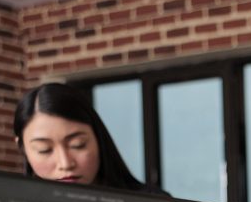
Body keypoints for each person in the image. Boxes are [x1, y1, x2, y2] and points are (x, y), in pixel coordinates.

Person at [13, 82, 161, 193]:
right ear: (23, 148)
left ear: (98, 138)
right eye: (44, 150)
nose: (65, 163)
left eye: (78, 144)